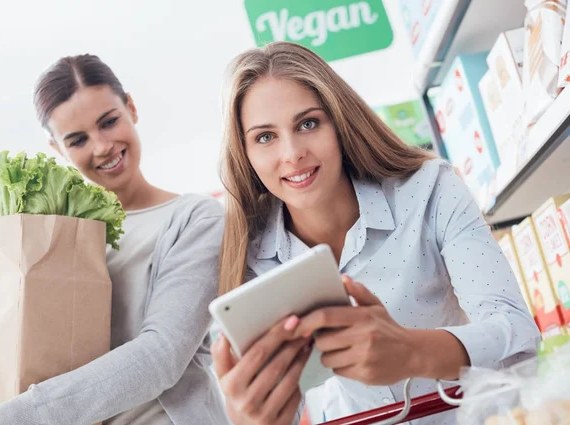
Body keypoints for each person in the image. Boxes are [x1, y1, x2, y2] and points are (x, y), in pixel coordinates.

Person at [211, 41, 541, 425]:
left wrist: (411, 351)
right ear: (246, 155)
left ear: (339, 122)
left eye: (308, 123)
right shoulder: (250, 263)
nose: (292, 152)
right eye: (265, 137)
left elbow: (518, 335)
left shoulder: (429, 190)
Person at [0, 54, 231, 425]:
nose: (101, 147)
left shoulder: (195, 219)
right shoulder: (52, 241)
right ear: (57, 149)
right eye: (77, 139)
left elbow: (161, 356)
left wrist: (9, 419)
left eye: (109, 122)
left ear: (131, 107)